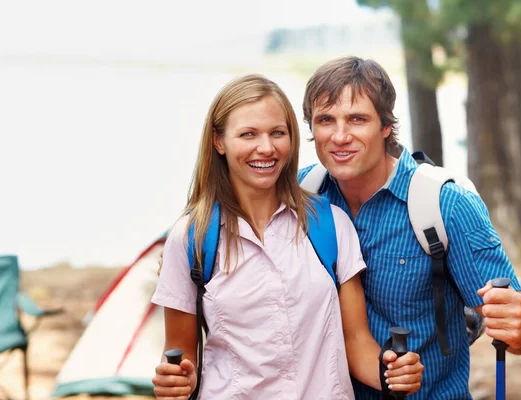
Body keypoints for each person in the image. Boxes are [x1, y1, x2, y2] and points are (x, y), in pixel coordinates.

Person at [151, 74, 424, 399]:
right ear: (218, 141)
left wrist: (391, 372)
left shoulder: (331, 225)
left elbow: (356, 343)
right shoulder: (191, 238)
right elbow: (182, 359)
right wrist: (176, 382)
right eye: (248, 134)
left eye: (277, 133)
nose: (266, 148)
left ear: (292, 138)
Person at [299, 56, 521, 399]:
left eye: (357, 119)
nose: (340, 136)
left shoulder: (447, 205)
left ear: (386, 126)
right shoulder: (304, 195)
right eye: (326, 120)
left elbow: (518, 328)